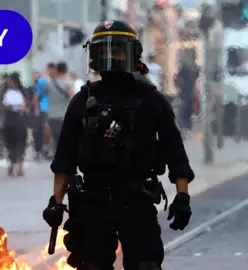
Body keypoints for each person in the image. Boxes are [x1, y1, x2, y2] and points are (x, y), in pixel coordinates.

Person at [42, 20, 194, 270]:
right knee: (92, 266)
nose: (110, 56)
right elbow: (65, 159)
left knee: (145, 265)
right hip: (92, 204)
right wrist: (56, 202)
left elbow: (175, 154)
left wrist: (183, 196)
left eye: (117, 50)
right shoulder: (82, 100)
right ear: (94, 55)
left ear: (132, 53)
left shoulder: (151, 100)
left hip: (136, 200)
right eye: (104, 51)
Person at [3, 72, 28, 177]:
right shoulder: (7, 92)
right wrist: (15, 106)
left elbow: (25, 106)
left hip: (20, 119)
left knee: (21, 142)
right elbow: (5, 105)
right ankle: (12, 163)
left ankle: (20, 166)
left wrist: (16, 106)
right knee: (11, 143)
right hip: (10, 119)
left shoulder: (23, 92)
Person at [45, 61, 74, 150]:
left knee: (55, 138)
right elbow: (72, 98)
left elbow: (45, 95)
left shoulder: (49, 83)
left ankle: (57, 156)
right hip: (65, 115)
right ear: (66, 70)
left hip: (53, 115)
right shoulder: (69, 83)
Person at [32, 63, 56, 161]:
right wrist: (37, 109)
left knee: (52, 131)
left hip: (55, 110)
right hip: (44, 108)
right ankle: (44, 149)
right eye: (50, 70)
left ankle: (50, 150)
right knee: (47, 129)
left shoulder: (57, 81)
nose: (52, 72)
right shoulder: (42, 81)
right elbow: (36, 96)